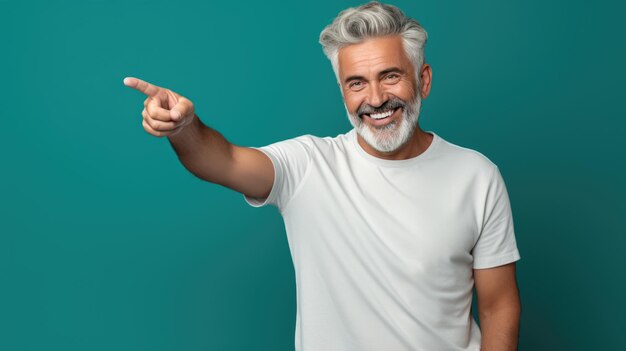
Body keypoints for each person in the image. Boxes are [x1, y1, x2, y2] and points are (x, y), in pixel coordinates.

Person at [123, 2, 521, 350]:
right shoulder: (308, 165)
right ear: (343, 91)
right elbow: (221, 160)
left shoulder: (477, 175)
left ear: (424, 80)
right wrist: (182, 127)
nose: (376, 98)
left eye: (390, 76)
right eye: (357, 83)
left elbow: (498, 304)